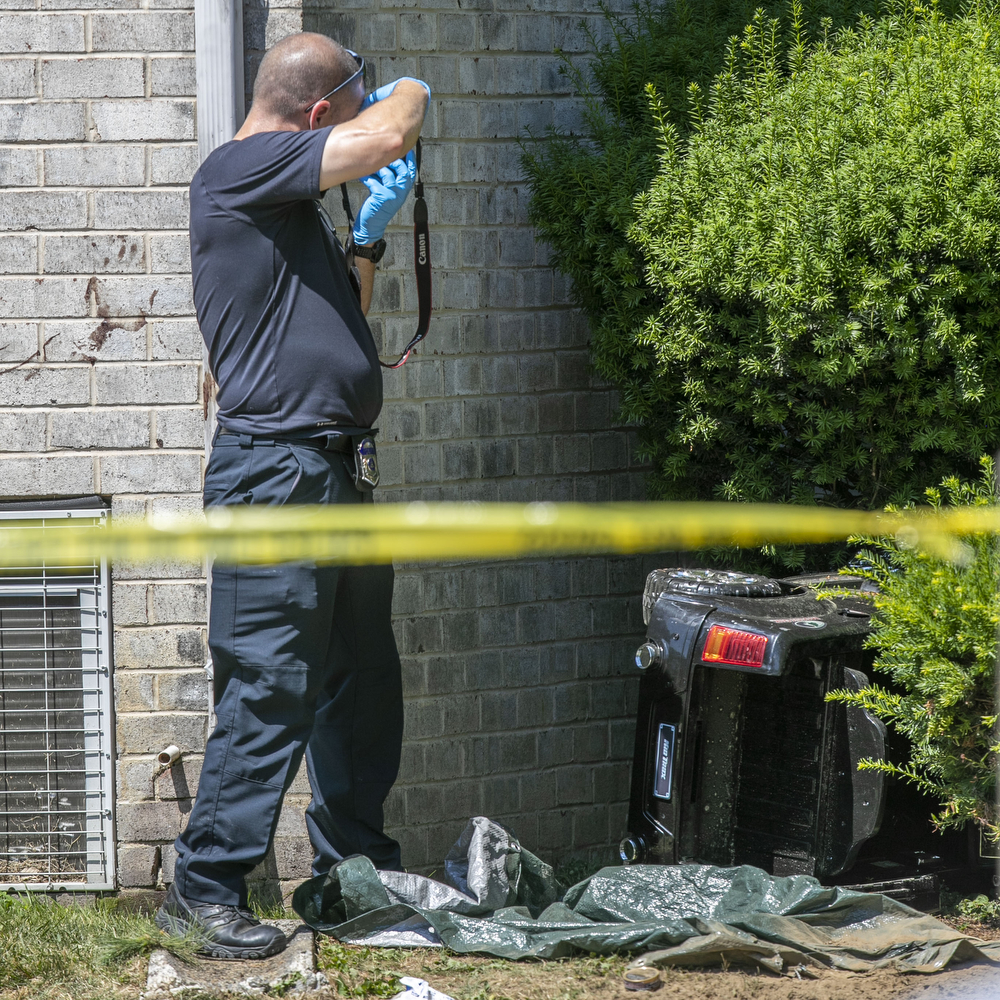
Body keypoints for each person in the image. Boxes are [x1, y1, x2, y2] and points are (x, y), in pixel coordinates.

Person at [154, 32, 430, 959]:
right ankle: (202, 888)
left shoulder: (284, 202)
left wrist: (368, 242)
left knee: (361, 685)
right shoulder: (239, 169)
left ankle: (353, 880)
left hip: (334, 468)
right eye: (346, 112)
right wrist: (408, 93)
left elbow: (333, 317)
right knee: (270, 686)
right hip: (275, 475)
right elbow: (390, 133)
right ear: (318, 117)